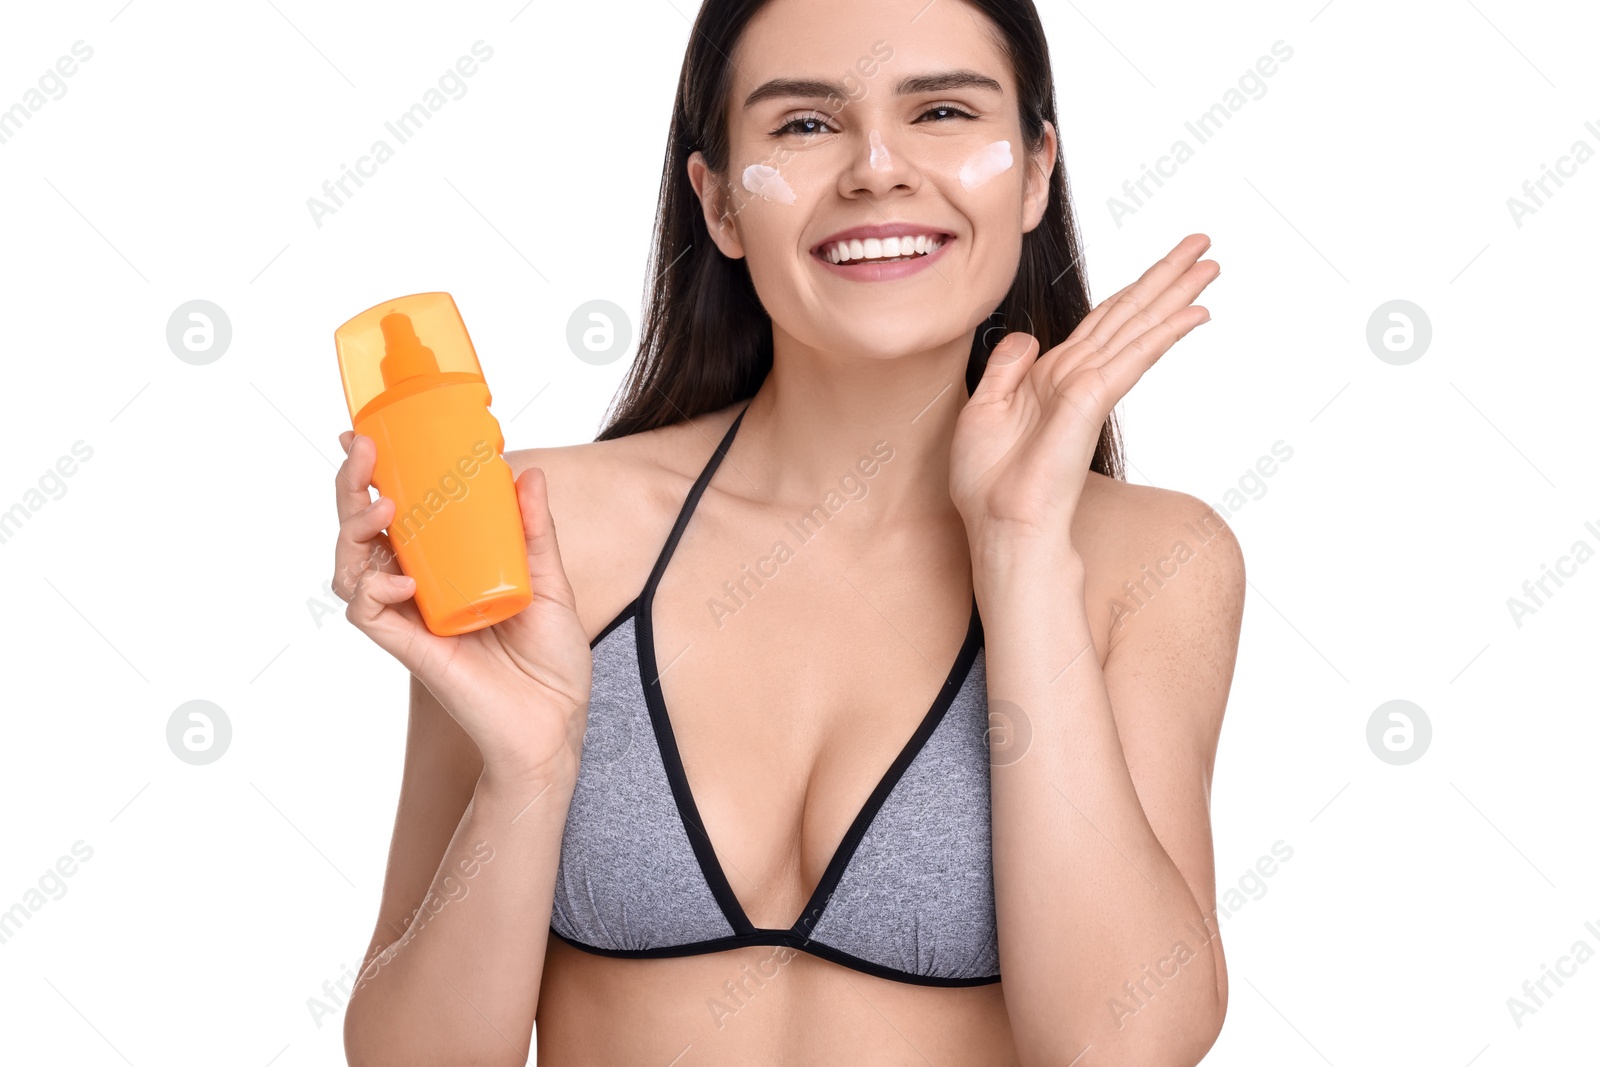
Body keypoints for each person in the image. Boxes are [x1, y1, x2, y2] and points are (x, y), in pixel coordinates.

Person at [335, 0, 1240, 1062]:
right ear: (717, 201)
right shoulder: (541, 530)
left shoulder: (1151, 563)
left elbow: (1118, 1048)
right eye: (804, 125)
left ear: (1037, 170)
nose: (875, 169)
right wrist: (528, 771)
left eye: (943, 110)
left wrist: (1022, 543)